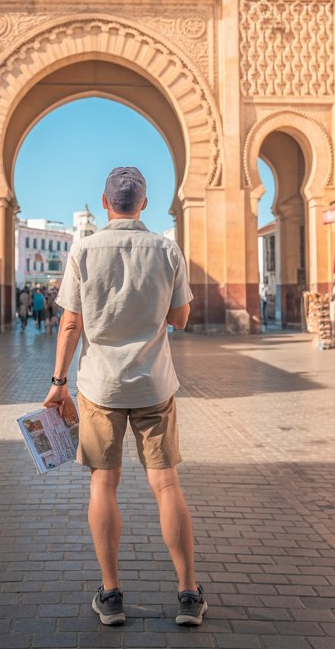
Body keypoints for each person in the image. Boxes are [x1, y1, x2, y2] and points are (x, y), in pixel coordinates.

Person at [43, 166, 206, 629]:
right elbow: (180, 318)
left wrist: (57, 383)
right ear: (144, 203)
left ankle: (111, 596)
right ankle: (188, 596)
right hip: (154, 384)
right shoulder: (166, 249)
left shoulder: (84, 250)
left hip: (100, 387)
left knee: (103, 484)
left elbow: (70, 323)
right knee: (167, 485)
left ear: (106, 202)